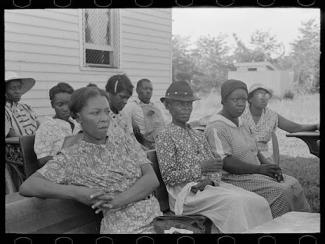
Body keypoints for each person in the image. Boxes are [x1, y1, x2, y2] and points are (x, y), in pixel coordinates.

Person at [19, 87, 162, 234]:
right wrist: (77, 192)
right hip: (124, 227)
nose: (104, 118)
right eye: (95, 113)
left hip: (157, 219)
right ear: (78, 117)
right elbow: (28, 186)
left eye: (107, 111)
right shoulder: (72, 156)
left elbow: (151, 179)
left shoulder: (123, 139)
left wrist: (117, 201)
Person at [155, 81, 273, 233]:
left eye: (189, 104)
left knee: (257, 201)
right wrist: (200, 169)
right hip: (186, 195)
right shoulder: (165, 135)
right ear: (168, 106)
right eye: (179, 104)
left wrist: (210, 180)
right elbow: (168, 176)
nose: (186, 108)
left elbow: (217, 165)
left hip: (208, 187)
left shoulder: (197, 134)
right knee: (237, 203)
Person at [205, 79, 311, 218]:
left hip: (253, 173)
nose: (240, 103)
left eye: (243, 99)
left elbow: (255, 150)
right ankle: (275, 227)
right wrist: (259, 169)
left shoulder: (242, 122)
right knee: (280, 192)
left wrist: (269, 166)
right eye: (235, 99)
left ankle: (301, 225)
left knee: (293, 184)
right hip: (232, 178)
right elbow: (225, 162)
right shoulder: (217, 127)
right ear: (223, 100)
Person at [241, 83, 319, 161]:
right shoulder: (240, 113)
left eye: (266, 95)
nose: (263, 98)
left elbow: (296, 128)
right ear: (250, 99)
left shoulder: (272, 115)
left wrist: (315, 126)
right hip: (242, 155)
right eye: (259, 94)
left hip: (265, 158)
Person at [5, 71, 40, 193]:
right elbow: (13, 136)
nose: (17, 91)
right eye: (12, 88)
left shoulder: (26, 107)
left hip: (37, 145)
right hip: (20, 151)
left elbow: (39, 127)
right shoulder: (5, 110)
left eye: (19, 88)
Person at [34, 83, 81, 165]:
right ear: (52, 105)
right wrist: (67, 159)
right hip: (58, 171)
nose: (65, 109)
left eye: (69, 104)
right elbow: (42, 160)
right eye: (60, 104)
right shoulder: (47, 127)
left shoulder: (77, 124)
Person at [123, 78, 165, 149]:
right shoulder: (131, 107)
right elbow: (126, 129)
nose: (148, 91)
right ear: (137, 90)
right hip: (140, 148)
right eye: (145, 88)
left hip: (159, 147)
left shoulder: (157, 107)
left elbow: (165, 124)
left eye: (150, 89)